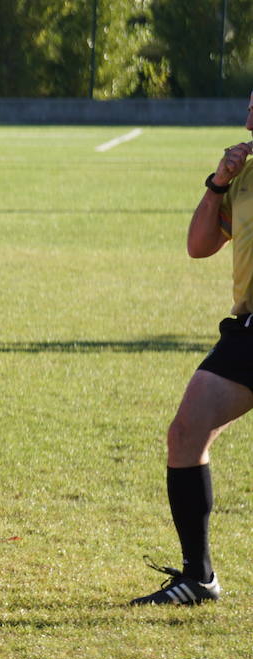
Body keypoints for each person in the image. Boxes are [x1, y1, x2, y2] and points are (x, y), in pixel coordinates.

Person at [131, 92, 253, 605]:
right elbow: (199, 245)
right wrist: (218, 183)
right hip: (248, 329)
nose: (249, 116)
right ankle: (198, 577)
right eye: (250, 106)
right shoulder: (245, 172)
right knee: (186, 433)